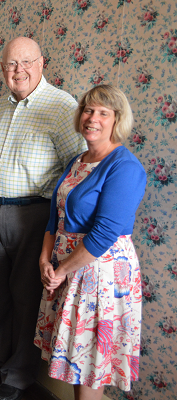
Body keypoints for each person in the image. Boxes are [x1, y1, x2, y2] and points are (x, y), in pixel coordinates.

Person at [0, 37, 86, 400]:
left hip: (34, 215)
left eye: (25, 62)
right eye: (10, 65)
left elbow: (77, 168)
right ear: (2, 70)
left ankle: (18, 372)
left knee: (26, 296)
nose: (17, 70)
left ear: (41, 63)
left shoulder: (62, 105)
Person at [34, 85, 145, 400]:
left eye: (103, 113)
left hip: (100, 276)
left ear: (116, 120)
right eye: (88, 110)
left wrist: (61, 270)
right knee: (75, 361)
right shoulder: (78, 160)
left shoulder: (124, 167)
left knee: (90, 365)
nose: (92, 118)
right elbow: (54, 218)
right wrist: (45, 262)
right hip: (68, 270)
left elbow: (105, 233)